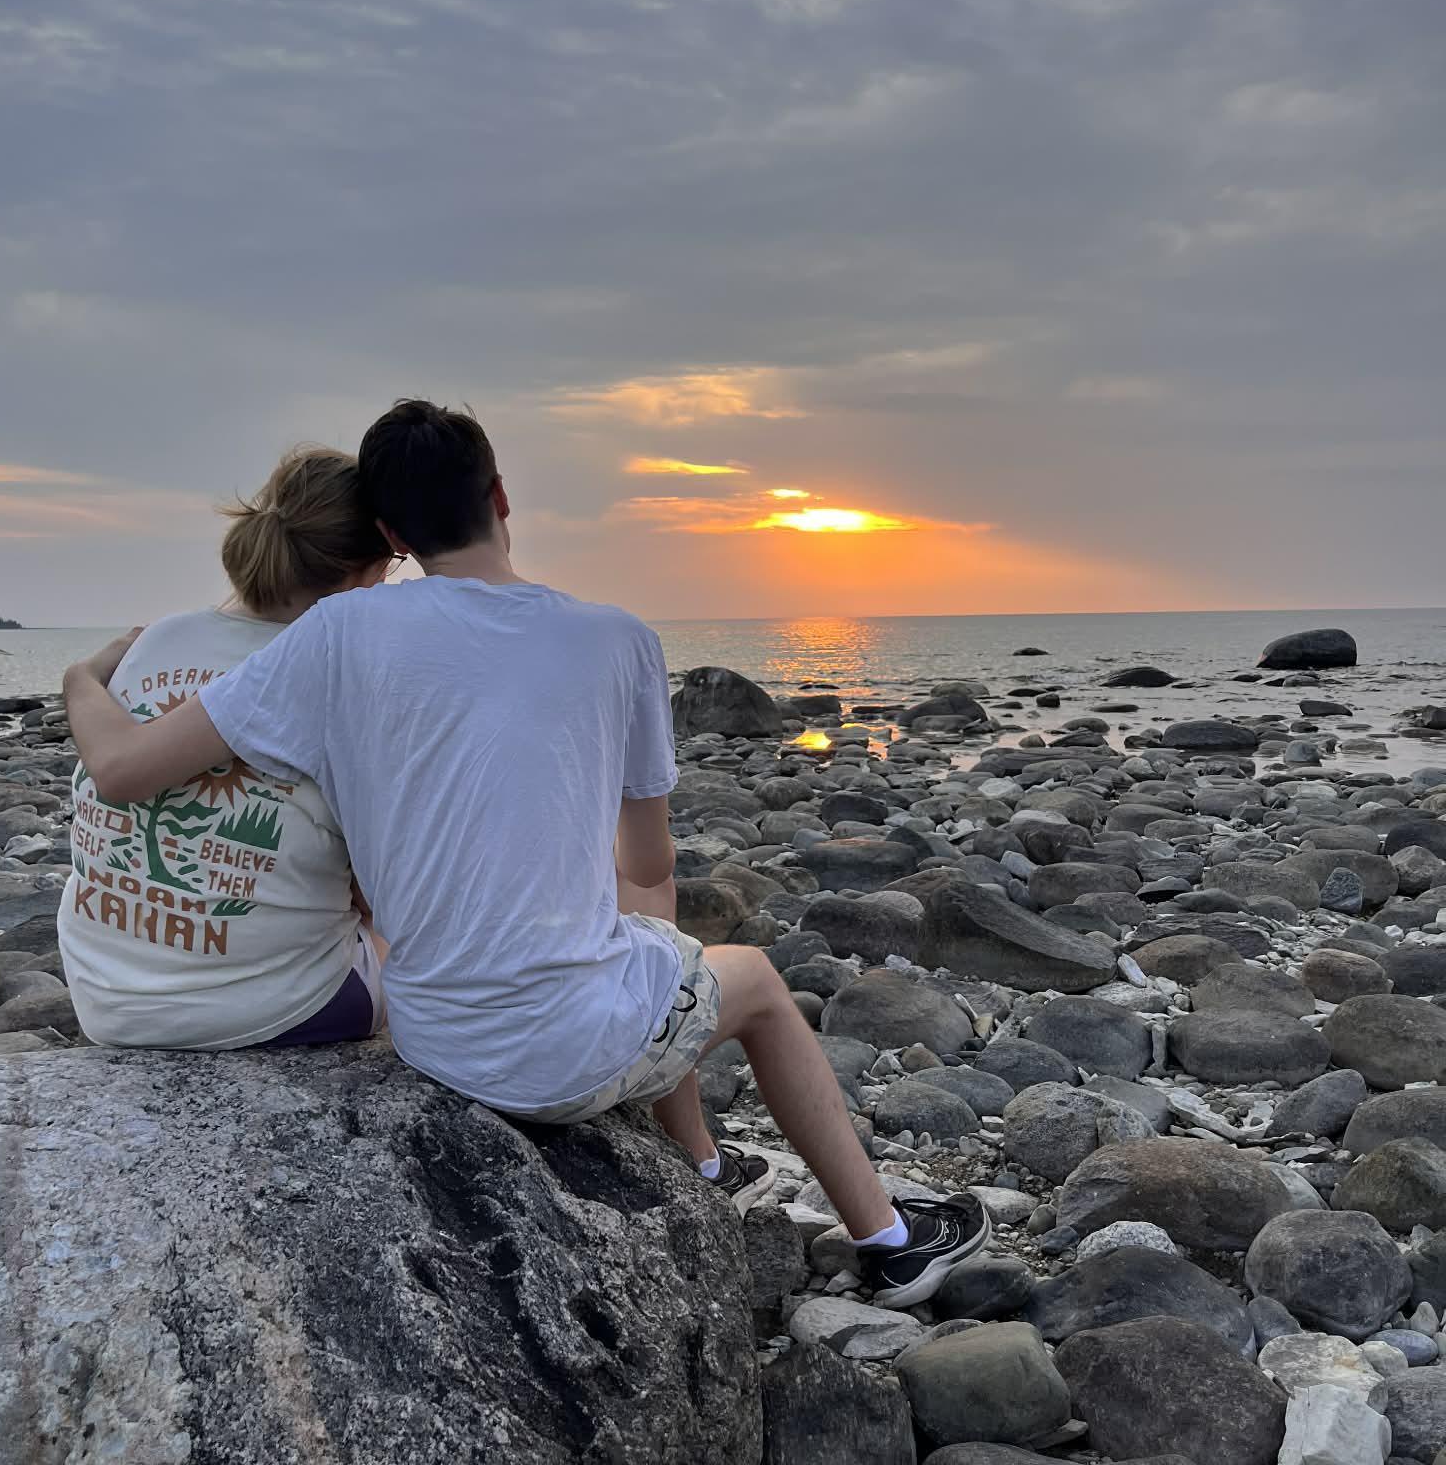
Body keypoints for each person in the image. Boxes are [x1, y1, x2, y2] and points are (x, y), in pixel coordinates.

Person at [62, 400, 989, 1308]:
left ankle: (704, 1162)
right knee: (740, 980)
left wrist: (84, 675)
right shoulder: (618, 639)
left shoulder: (334, 635)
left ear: (394, 537)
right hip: (554, 1059)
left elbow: (129, 766)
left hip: (429, 1040)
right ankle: (892, 1241)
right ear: (502, 498)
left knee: (635, 954)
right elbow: (649, 861)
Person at [58, 447, 395, 1049]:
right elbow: (379, 895)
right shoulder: (340, 682)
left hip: (107, 998)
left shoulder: (157, 639)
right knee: (420, 948)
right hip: (266, 1010)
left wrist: (79, 678)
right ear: (366, 573)